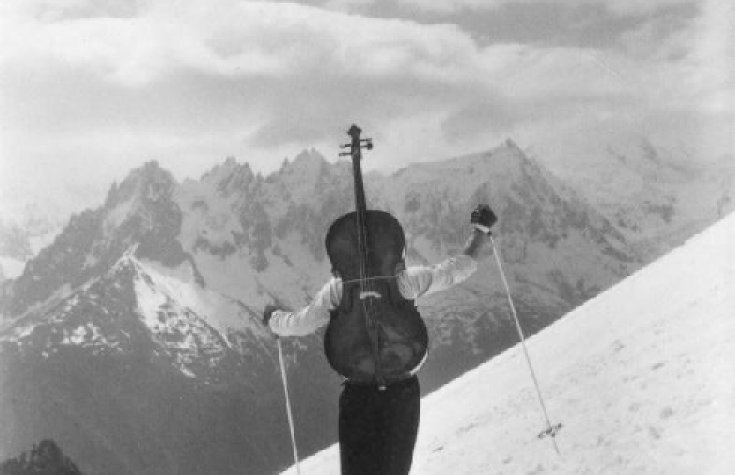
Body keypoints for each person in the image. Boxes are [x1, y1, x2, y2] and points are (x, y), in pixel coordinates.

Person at [263, 204, 497, 475]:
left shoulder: (339, 289)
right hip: (402, 391)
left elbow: (300, 324)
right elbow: (458, 268)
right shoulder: (403, 282)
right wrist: (480, 231)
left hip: (358, 393)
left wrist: (273, 319)